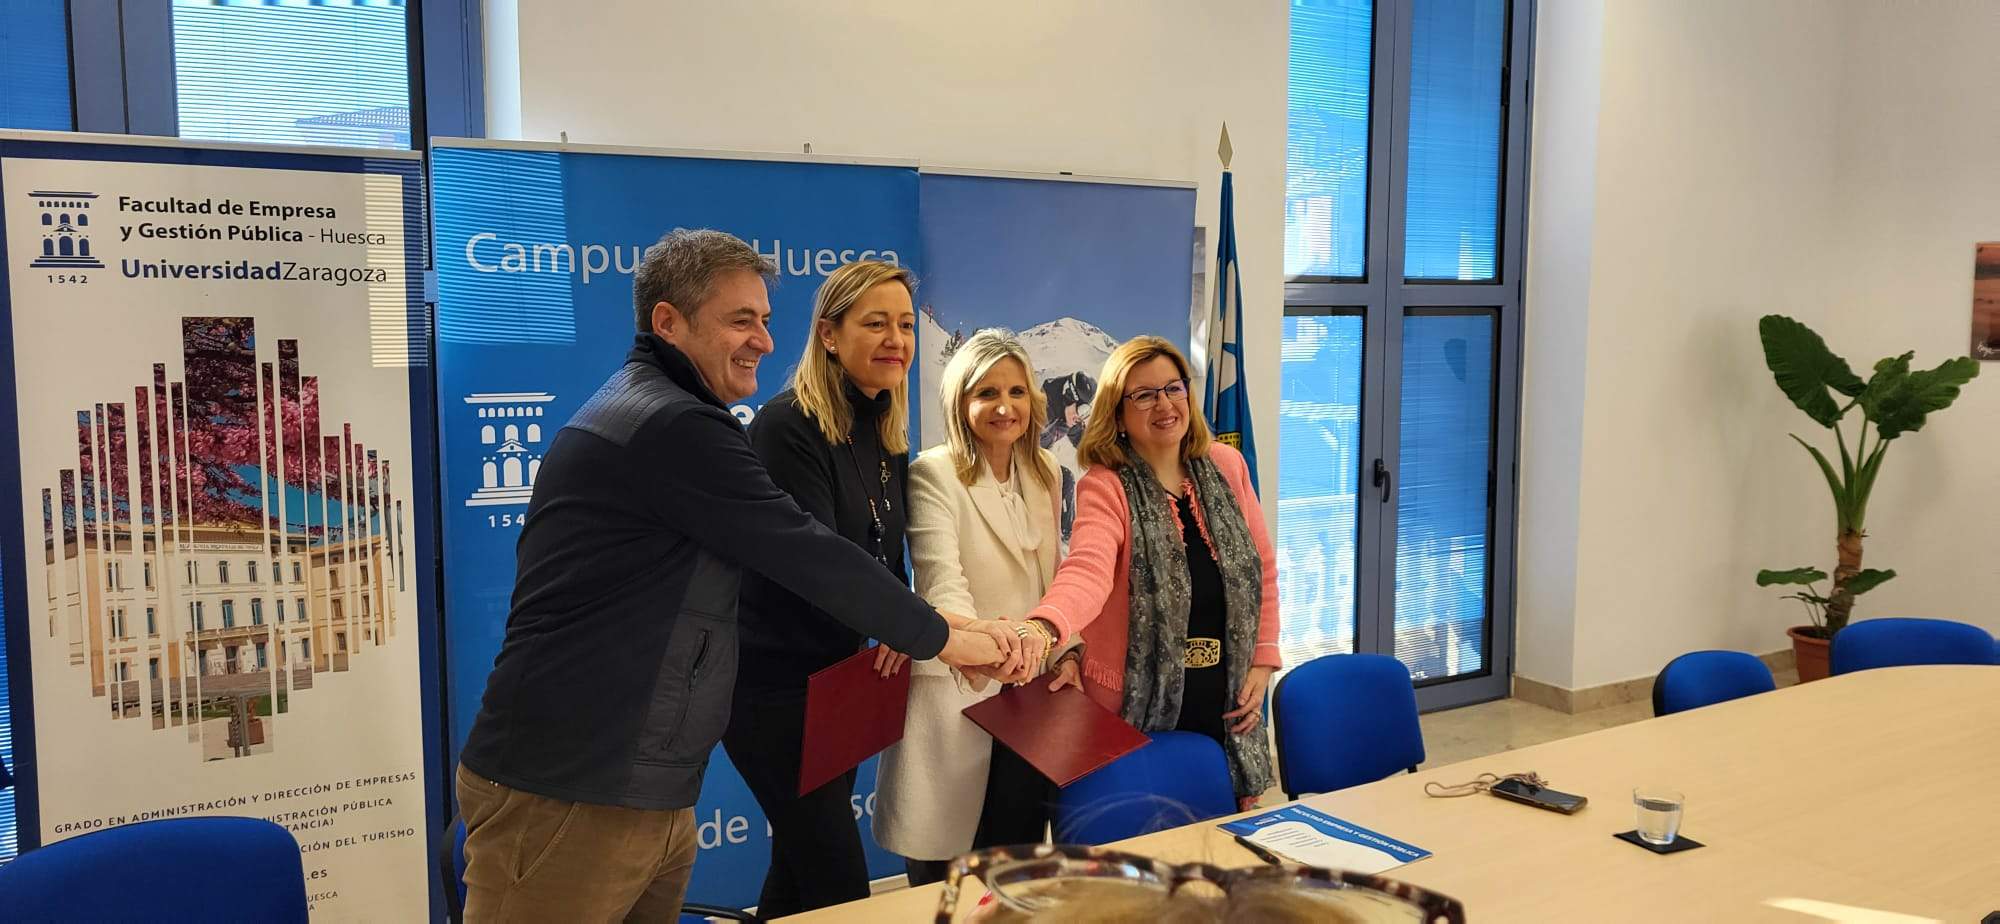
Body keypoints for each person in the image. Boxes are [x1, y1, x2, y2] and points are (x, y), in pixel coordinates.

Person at [455, 232, 1016, 922]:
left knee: (799, 880)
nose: (762, 341)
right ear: (668, 322)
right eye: (739, 320)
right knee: (828, 878)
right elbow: (809, 553)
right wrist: (948, 638)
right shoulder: (673, 425)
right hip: (573, 781)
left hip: (637, 784)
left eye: (765, 320)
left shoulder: (674, 413)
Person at [722, 260, 1022, 916]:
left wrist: (908, 623)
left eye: (907, 325)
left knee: (800, 880)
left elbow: (883, 561)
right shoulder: (787, 426)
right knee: (840, 888)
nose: (897, 339)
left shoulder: (882, 425)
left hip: (843, 686)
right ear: (829, 334)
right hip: (776, 699)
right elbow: (823, 567)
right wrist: (923, 631)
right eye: (876, 323)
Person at [1009, 336, 1282, 812]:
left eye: (1173, 389)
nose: (1165, 405)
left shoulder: (1227, 465)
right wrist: (1046, 624)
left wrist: (1262, 658)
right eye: (1145, 395)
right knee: (1143, 844)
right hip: (1137, 702)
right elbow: (1088, 570)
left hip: (1226, 697)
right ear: (1117, 412)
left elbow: (1261, 571)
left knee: (1220, 848)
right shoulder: (1106, 485)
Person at [875, 329, 1081, 886]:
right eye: (987, 392)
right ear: (960, 401)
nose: (1004, 406)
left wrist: (1065, 647)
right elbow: (941, 587)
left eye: (1016, 392)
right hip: (960, 685)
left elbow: (1054, 577)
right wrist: (1003, 649)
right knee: (945, 875)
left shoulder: (1045, 472)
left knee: (1013, 868)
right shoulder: (931, 472)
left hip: (1028, 695)